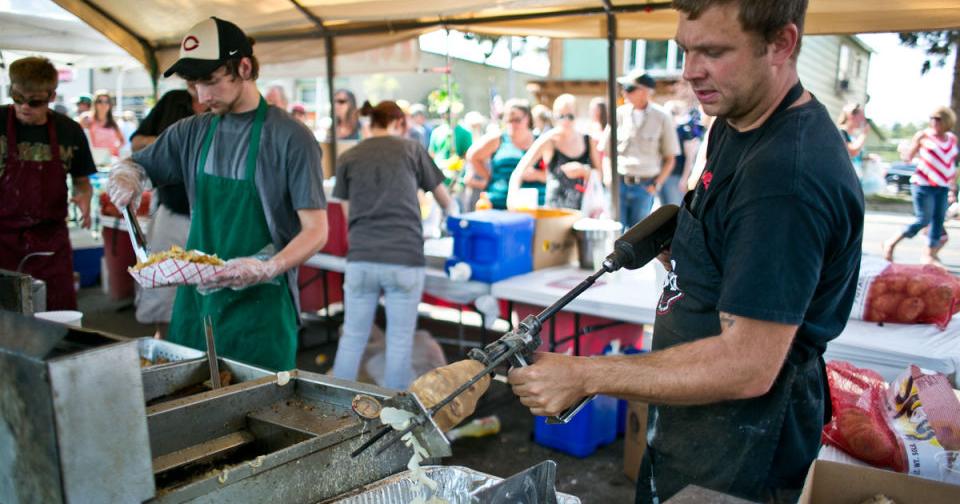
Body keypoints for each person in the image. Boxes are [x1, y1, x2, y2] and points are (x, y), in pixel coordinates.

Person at [507, 1, 864, 501]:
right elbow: (728, 255)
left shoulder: (787, 177)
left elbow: (748, 365)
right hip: (692, 416)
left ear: (782, 44)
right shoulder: (734, 118)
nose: (690, 72)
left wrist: (585, 374)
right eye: (685, 50)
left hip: (746, 440)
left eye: (714, 52)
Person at [107, 17, 328, 371]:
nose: (202, 96)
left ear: (244, 67)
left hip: (260, 310)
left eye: (210, 81)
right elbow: (138, 166)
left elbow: (316, 231)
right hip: (196, 308)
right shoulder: (191, 132)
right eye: (194, 84)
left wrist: (267, 267)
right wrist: (127, 176)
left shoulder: (290, 137)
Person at [331, 100, 455, 389]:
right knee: (399, 343)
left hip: (361, 257)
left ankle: (332, 411)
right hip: (404, 257)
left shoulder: (349, 156)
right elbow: (446, 201)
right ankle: (395, 422)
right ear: (399, 123)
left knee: (352, 338)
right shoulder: (412, 149)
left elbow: (349, 216)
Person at [0, 56, 96, 310]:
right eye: (17, 98)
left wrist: (85, 197)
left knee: (56, 317)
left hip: (50, 243)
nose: (24, 107)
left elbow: (81, 180)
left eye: (35, 102)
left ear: (52, 96)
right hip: (2, 239)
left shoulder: (70, 130)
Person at [129, 83, 209, 339]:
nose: (194, 85)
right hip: (173, 210)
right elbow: (137, 143)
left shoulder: (231, 107)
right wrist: (174, 142)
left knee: (210, 294)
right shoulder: (173, 101)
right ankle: (165, 347)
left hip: (213, 218)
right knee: (163, 292)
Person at [601, 70, 680, 229]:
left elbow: (670, 158)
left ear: (645, 92)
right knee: (615, 233)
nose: (624, 92)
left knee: (638, 237)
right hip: (619, 183)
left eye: (630, 88)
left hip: (645, 185)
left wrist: (656, 185)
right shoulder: (619, 114)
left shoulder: (662, 117)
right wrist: (608, 177)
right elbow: (606, 152)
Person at [882, 106, 957, 265]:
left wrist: (952, 186)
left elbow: (951, 163)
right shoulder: (923, 136)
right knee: (924, 219)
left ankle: (929, 254)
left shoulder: (951, 138)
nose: (934, 122)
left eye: (938, 119)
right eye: (932, 118)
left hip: (942, 185)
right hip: (923, 184)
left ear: (946, 121)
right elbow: (908, 157)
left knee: (938, 220)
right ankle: (891, 242)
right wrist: (905, 150)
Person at [507, 94, 601, 210]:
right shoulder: (548, 140)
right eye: (561, 116)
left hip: (584, 213)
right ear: (554, 116)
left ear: (577, 115)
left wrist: (584, 171)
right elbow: (518, 172)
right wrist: (512, 199)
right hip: (555, 213)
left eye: (570, 116)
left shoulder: (588, 140)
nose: (565, 121)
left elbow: (601, 176)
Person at [465, 99, 540, 210]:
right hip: (499, 203)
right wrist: (489, 177)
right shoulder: (499, 139)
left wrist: (536, 175)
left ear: (527, 118)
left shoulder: (540, 141)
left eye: (517, 120)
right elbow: (472, 156)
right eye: (508, 120)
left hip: (531, 205)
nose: (512, 124)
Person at [659, 100, 703, 206]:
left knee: (674, 208)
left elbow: (690, 158)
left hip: (676, 176)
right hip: (662, 174)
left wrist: (685, 178)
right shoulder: (665, 130)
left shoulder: (684, 131)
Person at [80, 90, 126, 158]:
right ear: (95, 104)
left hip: (111, 158)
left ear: (110, 105)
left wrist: (115, 148)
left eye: (106, 102)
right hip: (94, 158)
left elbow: (122, 141)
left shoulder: (113, 123)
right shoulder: (87, 119)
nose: (103, 104)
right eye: (100, 101)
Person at [837, 102, 868, 176]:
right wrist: (864, 133)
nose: (863, 119)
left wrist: (867, 158)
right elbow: (851, 152)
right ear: (851, 116)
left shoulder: (852, 136)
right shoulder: (841, 132)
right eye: (860, 116)